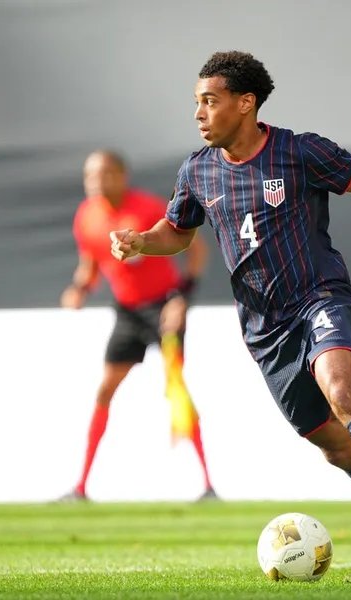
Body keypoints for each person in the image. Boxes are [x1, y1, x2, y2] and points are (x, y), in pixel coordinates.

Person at [108, 51, 351, 580]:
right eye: (197, 103)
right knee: (335, 447)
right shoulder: (198, 170)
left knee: (343, 391)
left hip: (320, 298)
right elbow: (178, 231)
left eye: (210, 101)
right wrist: (142, 241)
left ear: (245, 103)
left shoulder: (299, 152)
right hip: (263, 329)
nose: (199, 113)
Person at [59, 150, 217, 501]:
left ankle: (207, 485)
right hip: (127, 313)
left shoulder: (148, 208)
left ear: (121, 175)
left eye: (104, 173)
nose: (96, 182)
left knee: (176, 390)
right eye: (90, 175)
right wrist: (79, 289)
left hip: (163, 309)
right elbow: (90, 266)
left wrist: (181, 299)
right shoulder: (86, 217)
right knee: (105, 390)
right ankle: (81, 487)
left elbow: (196, 250)